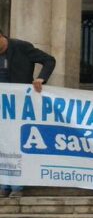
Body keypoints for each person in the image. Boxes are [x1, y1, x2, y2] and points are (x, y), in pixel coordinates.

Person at [0, 29, 56, 198]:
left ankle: (16, 186)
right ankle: (4, 185)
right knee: (3, 144)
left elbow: (49, 60)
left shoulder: (22, 47)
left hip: (21, 106)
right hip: (2, 107)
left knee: (17, 143)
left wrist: (41, 78)